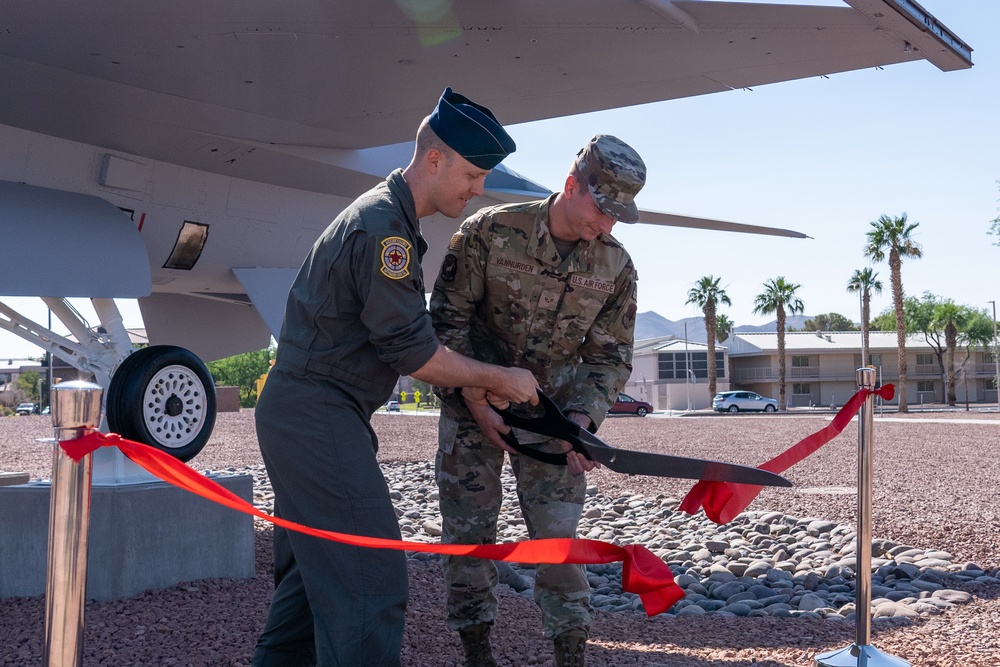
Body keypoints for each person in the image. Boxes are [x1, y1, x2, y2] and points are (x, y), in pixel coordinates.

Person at [252, 87, 540, 667]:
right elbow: (414, 353)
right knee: (368, 581)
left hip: (310, 413)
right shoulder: (385, 229)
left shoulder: (390, 219)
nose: (478, 188)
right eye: (472, 174)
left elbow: (411, 346)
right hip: (317, 411)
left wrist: (478, 388)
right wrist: (502, 378)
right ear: (434, 160)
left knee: (311, 591)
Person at [430, 134, 646, 667]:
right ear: (572, 186)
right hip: (469, 404)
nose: (607, 225)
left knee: (558, 543)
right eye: (603, 208)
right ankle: (477, 652)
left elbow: (609, 358)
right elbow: (444, 326)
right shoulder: (488, 232)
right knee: (468, 537)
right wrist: (477, 400)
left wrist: (581, 421)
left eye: (619, 216)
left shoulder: (616, 267)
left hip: (555, 419)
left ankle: (570, 656)